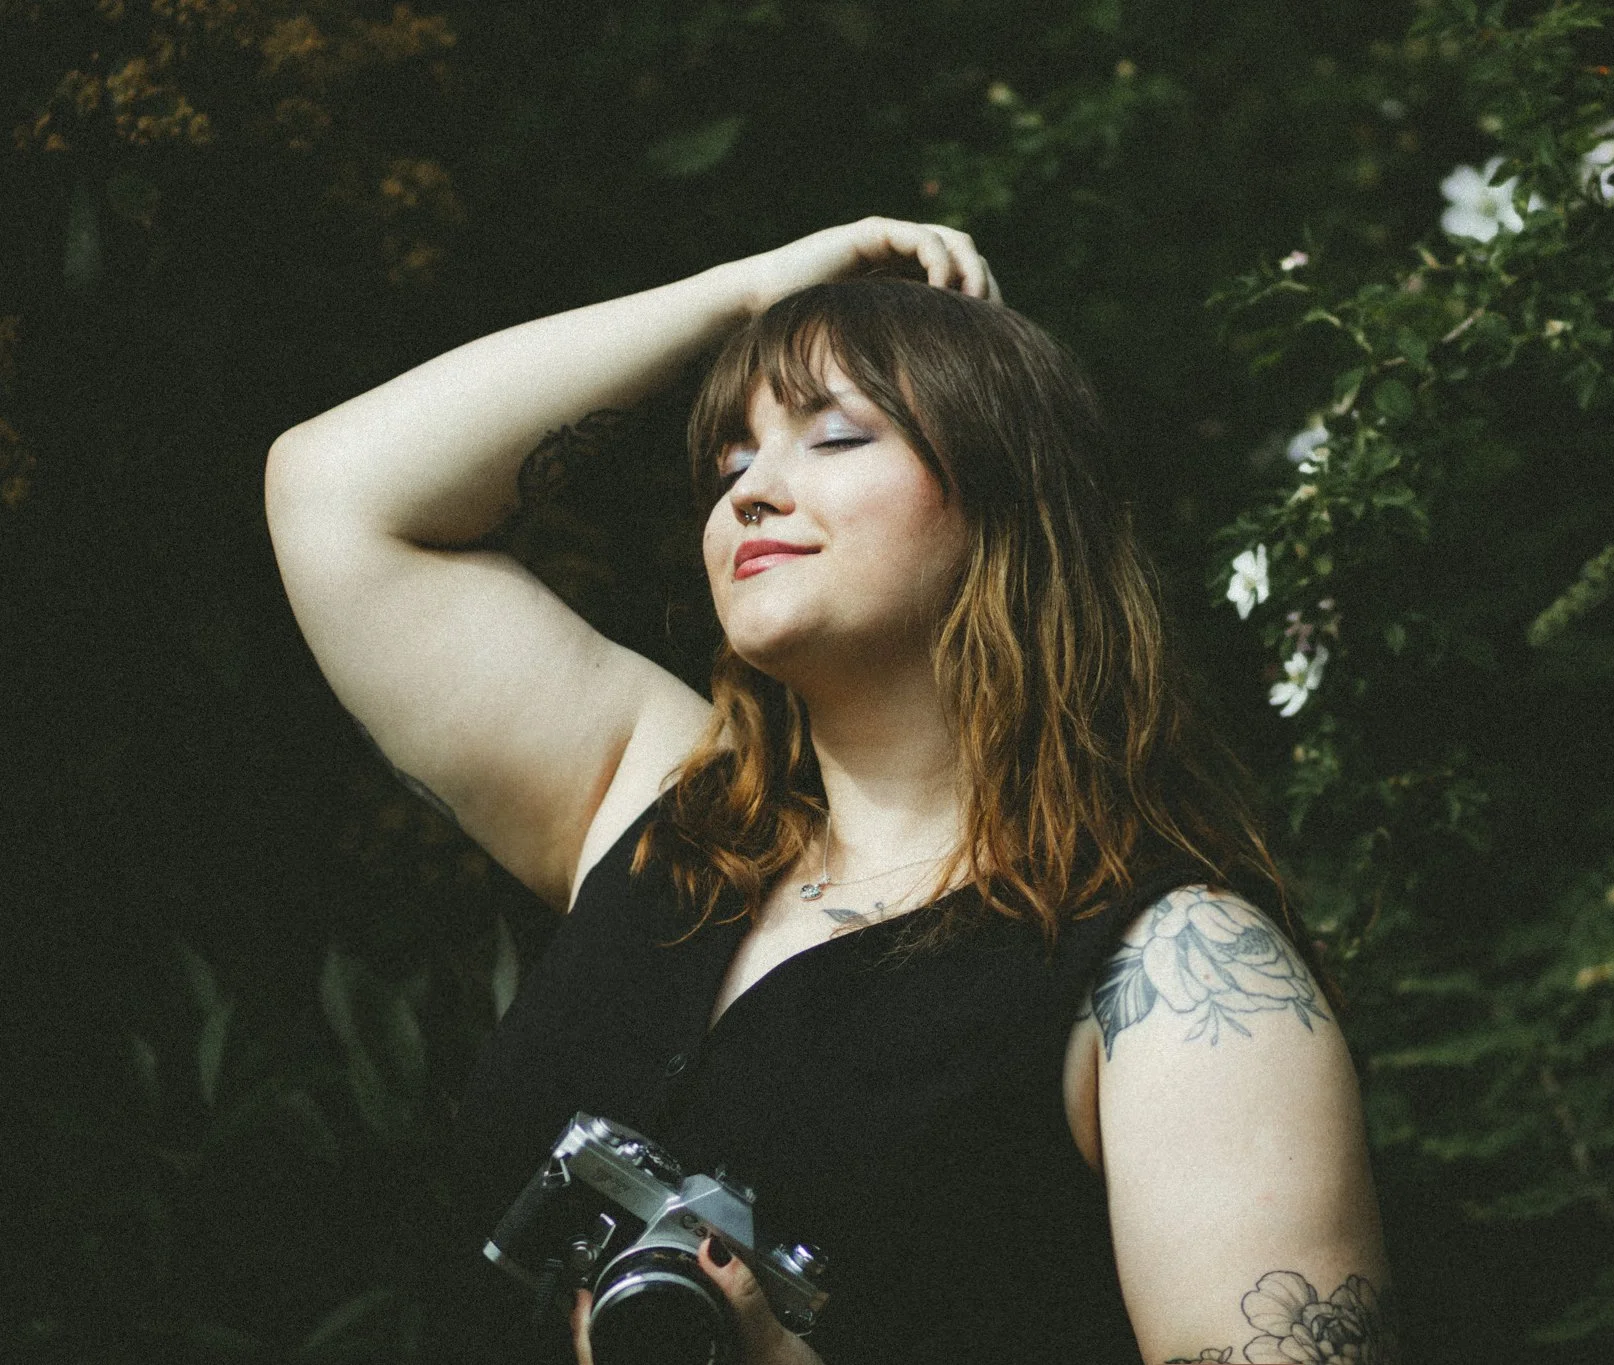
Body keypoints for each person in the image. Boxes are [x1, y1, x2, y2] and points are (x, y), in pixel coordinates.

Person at [265, 217, 1395, 1364]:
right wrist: (745, 293)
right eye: (732, 462)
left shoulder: (1181, 978)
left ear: (1012, 499)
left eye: (836, 437)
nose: (753, 492)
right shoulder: (662, 809)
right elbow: (335, 493)